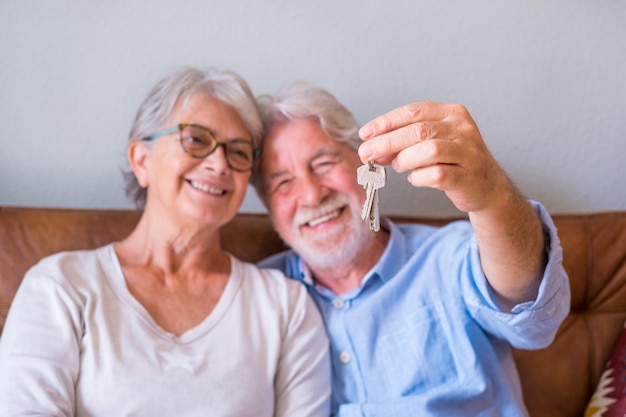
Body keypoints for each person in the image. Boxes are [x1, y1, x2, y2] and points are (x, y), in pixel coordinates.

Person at [0, 68, 330, 416]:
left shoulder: (285, 306)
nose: (219, 164)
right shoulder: (60, 287)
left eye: (238, 151)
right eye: (196, 140)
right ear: (141, 161)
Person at [251, 80, 570, 416]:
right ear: (269, 210)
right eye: (283, 182)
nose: (313, 195)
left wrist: (491, 195)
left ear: (365, 167)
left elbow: (533, 316)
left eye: (324, 164)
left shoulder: (448, 257)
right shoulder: (259, 296)